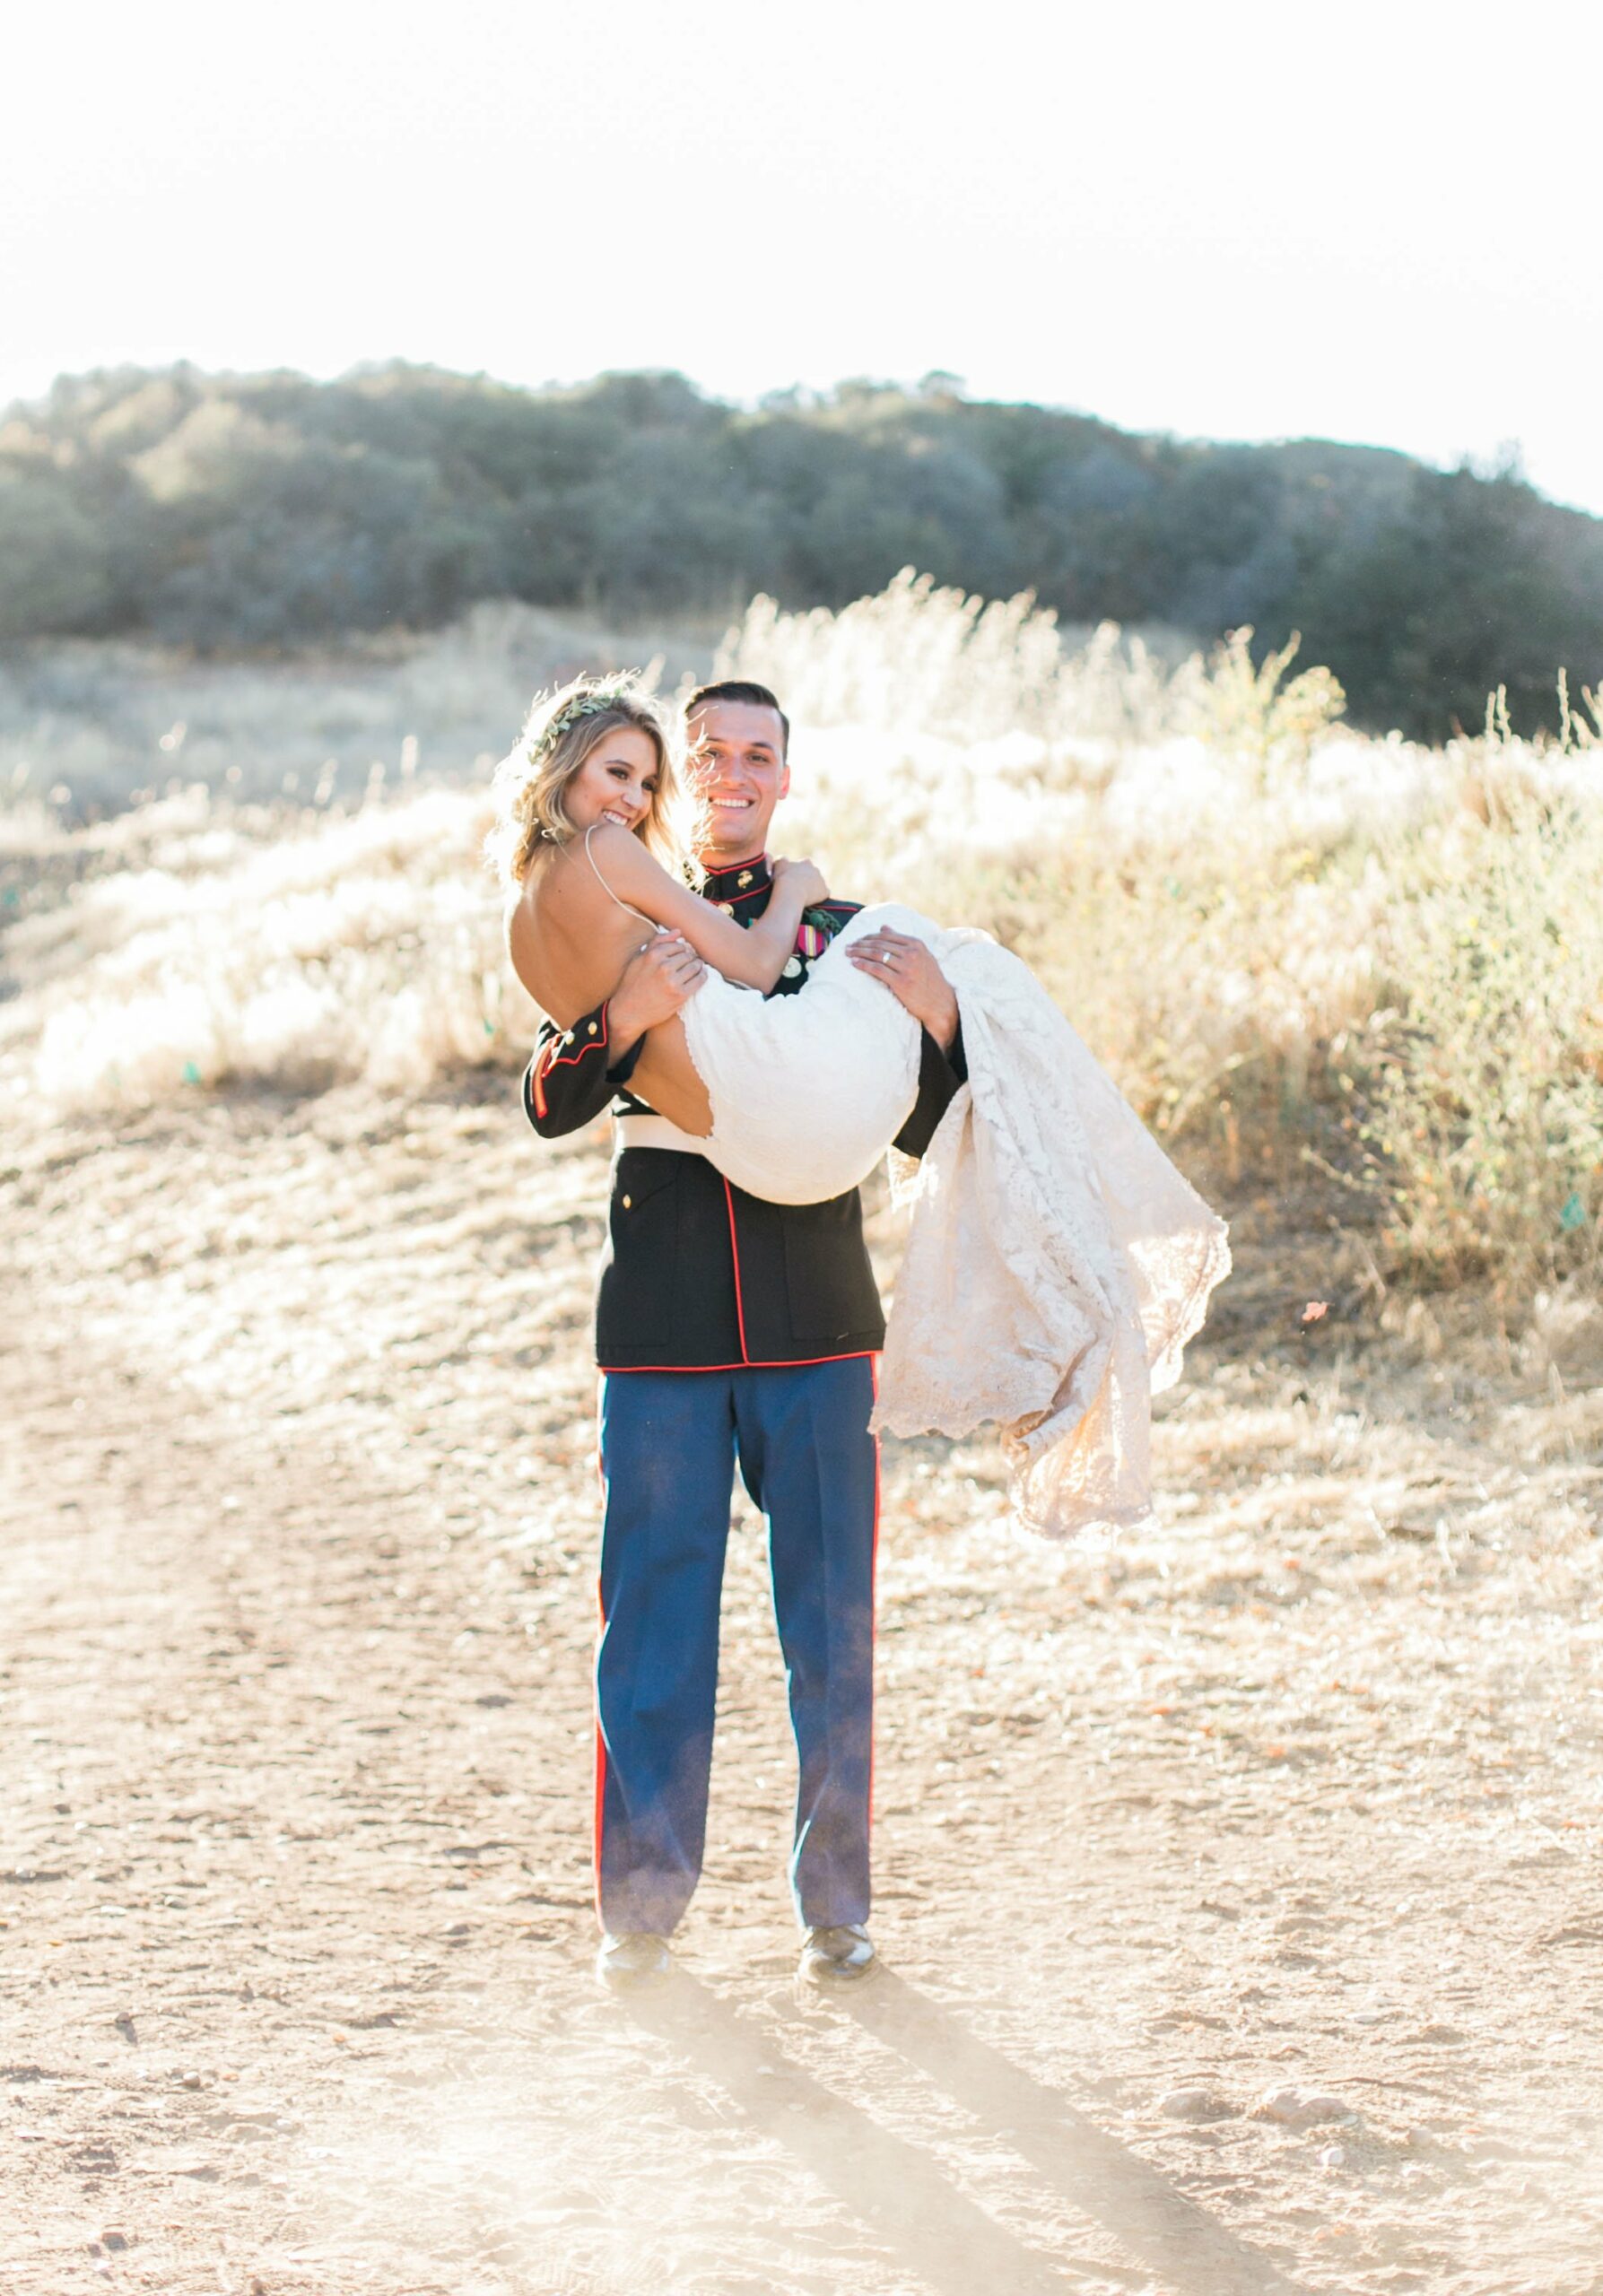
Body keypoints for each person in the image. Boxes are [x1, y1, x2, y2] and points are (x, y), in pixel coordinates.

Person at [498, 674, 969, 1993]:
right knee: (651, 1617)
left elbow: (921, 1115)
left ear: (784, 775)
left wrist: (941, 1022)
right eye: (707, 755)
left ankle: (838, 1907)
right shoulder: (617, 900)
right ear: (680, 777)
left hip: (820, 1321)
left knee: (832, 1625)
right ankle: (640, 1914)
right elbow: (547, 1089)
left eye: (757, 753)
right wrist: (619, 1028)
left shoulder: (841, 929)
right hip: (663, 1317)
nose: (731, 773)